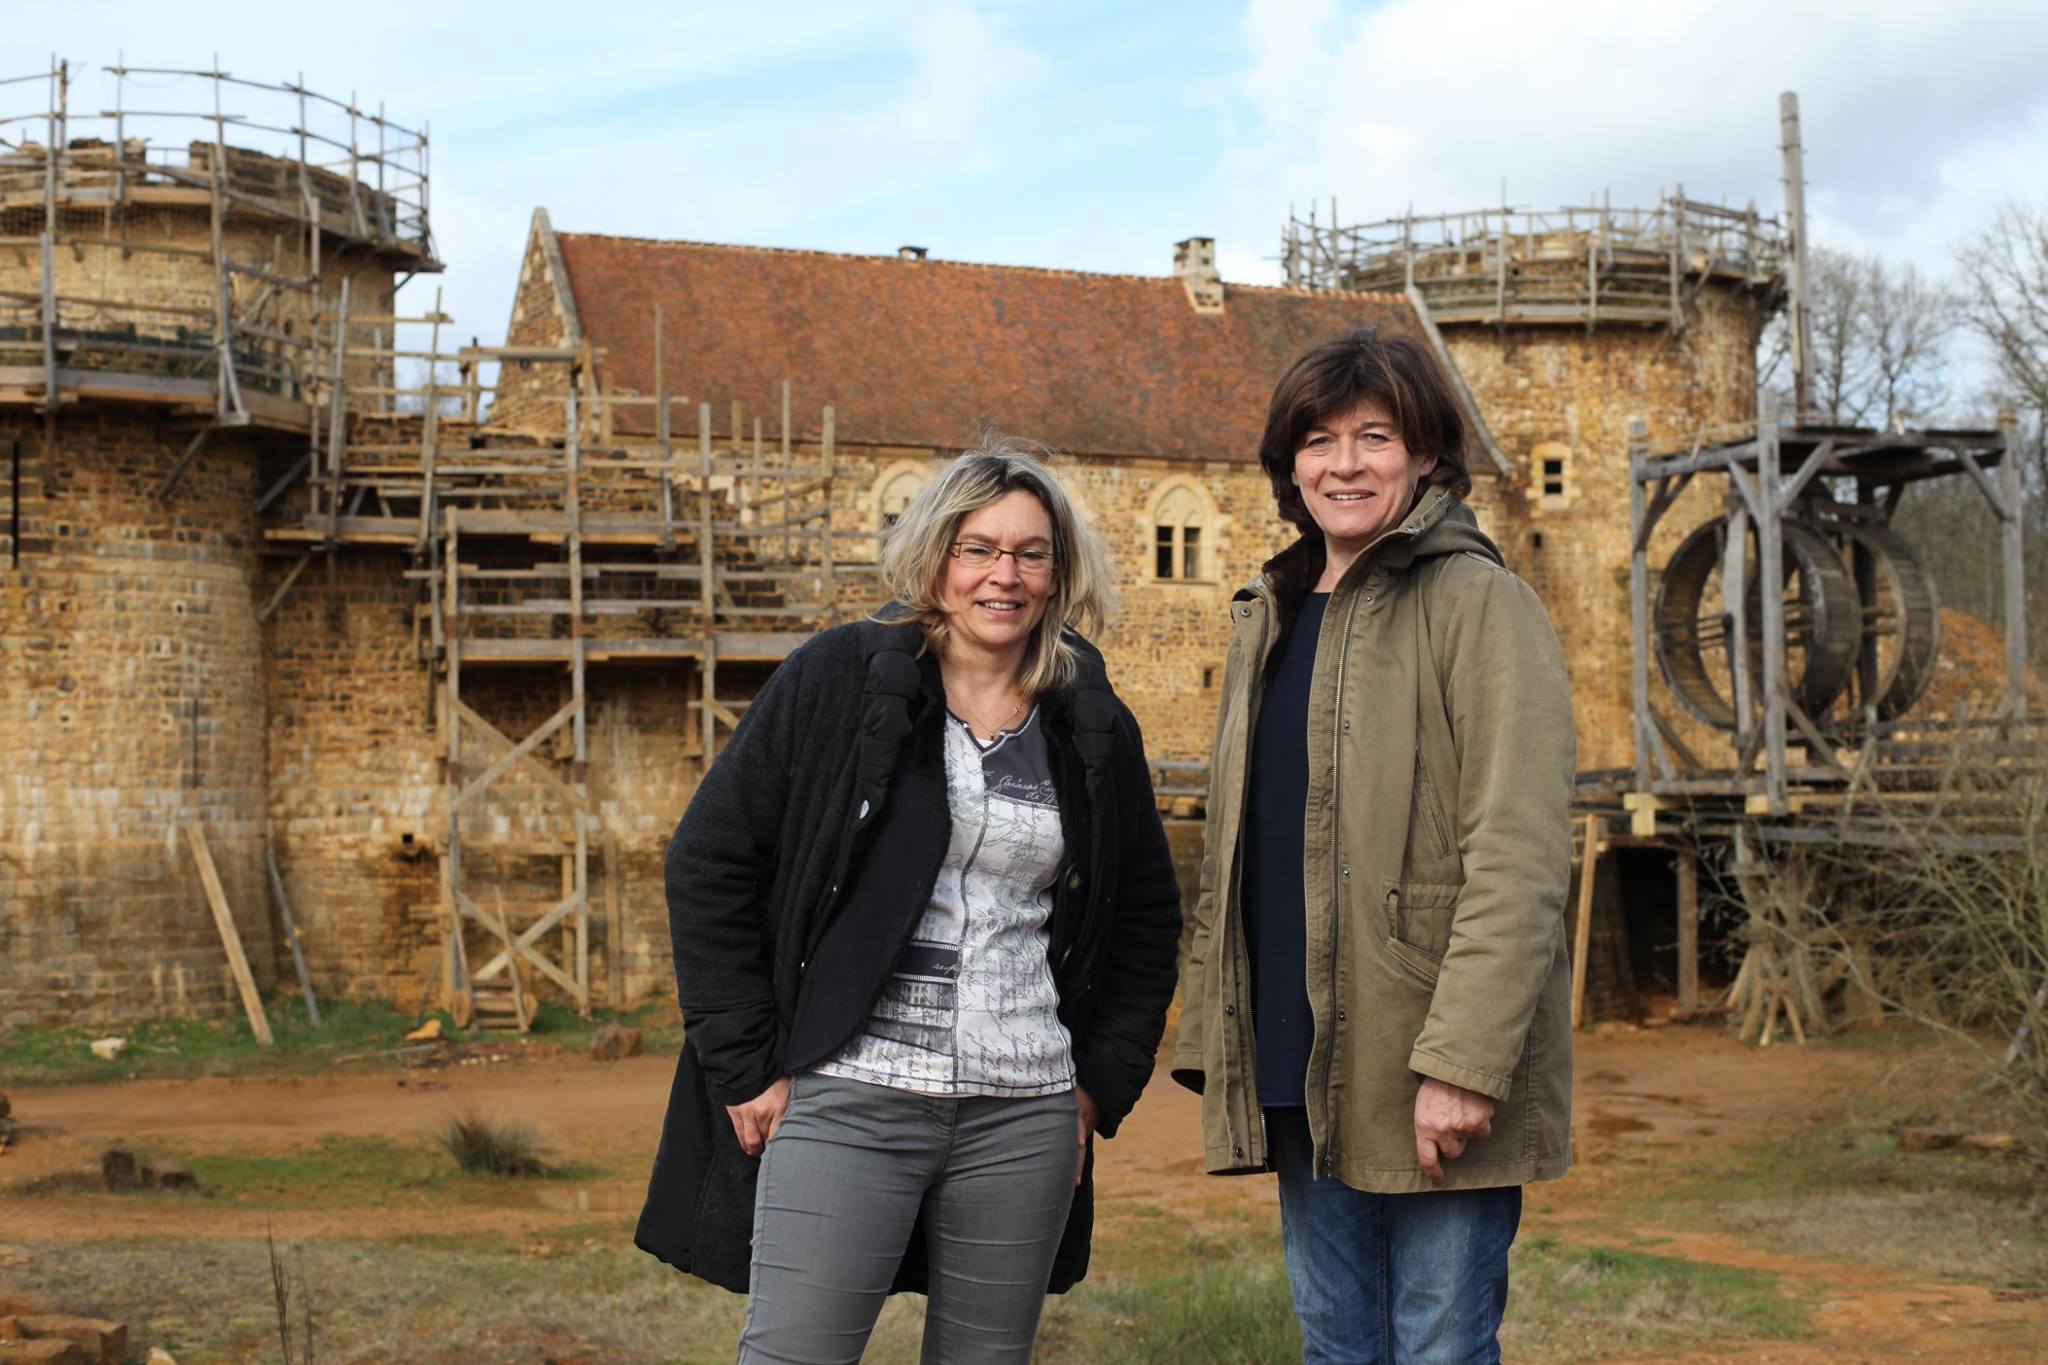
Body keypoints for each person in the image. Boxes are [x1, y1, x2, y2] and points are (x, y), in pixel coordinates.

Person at [636, 440, 1182, 1364]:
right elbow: (708, 859)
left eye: (1030, 553)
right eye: (978, 548)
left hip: (1025, 1114)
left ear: (1057, 574)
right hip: (848, 1095)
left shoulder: (1090, 720)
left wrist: (1094, 1090)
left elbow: (1146, 919)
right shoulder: (840, 679)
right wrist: (745, 1064)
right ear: (934, 557)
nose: (1002, 575)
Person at [1172, 327, 1575, 1363]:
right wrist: (1214, 1036)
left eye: (1373, 437)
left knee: (1436, 1347)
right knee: (1335, 1348)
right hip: (1302, 1051)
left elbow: (1518, 856)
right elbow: (1237, 853)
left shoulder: (1478, 603)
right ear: (1287, 464)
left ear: (1425, 455)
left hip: (1428, 1058)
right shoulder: (1265, 616)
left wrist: (1465, 1064)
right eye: (1317, 440)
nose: (1342, 464)